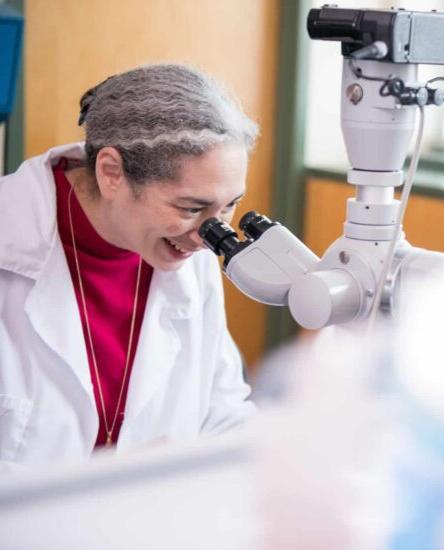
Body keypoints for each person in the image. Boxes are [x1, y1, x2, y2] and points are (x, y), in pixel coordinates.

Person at [0, 64, 258, 468]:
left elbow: (223, 415)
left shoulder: (189, 253)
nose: (210, 236)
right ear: (110, 173)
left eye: (229, 205)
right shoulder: (10, 245)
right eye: (191, 207)